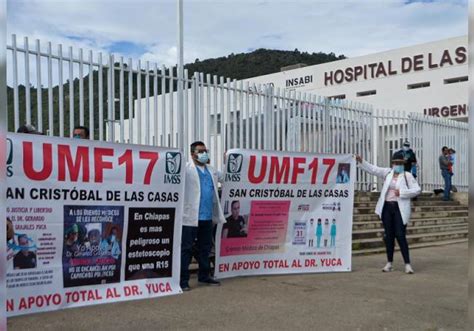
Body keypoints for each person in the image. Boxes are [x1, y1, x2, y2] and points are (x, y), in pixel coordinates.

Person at [356, 153, 421, 274]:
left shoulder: (407, 176)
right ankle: (389, 263)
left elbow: (417, 190)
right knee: (388, 236)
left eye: (400, 163)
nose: (398, 165)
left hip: (399, 209)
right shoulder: (387, 173)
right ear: (392, 163)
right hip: (386, 207)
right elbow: (373, 169)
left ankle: (407, 264)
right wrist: (362, 161)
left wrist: (402, 192)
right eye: (396, 163)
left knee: (400, 235)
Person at [181, 141, 225, 291]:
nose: (204, 153)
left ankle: (204, 276)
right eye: (200, 151)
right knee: (186, 249)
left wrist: (228, 161)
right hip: (190, 217)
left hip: (206, 217)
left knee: (205, 248)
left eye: (205, 150)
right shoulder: (186, 170)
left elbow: (227, 177)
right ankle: (183, 281)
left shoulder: (211, 170)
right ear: (192, 154)